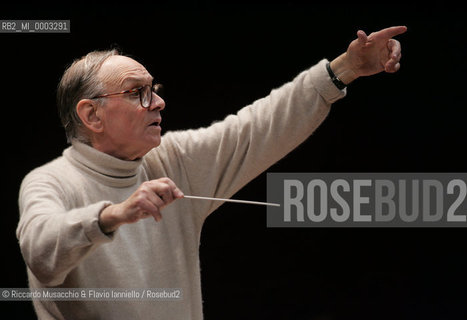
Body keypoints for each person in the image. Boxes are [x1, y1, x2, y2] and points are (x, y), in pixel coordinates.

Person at [17, 26, 407, 319]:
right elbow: (41, 251)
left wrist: (346, 68)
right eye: (138, 92)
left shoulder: (171, 159)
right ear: (91, 114)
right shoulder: (49, 181)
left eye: (155, 88)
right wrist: (112, 214)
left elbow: (257, 127)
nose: (158, 102)